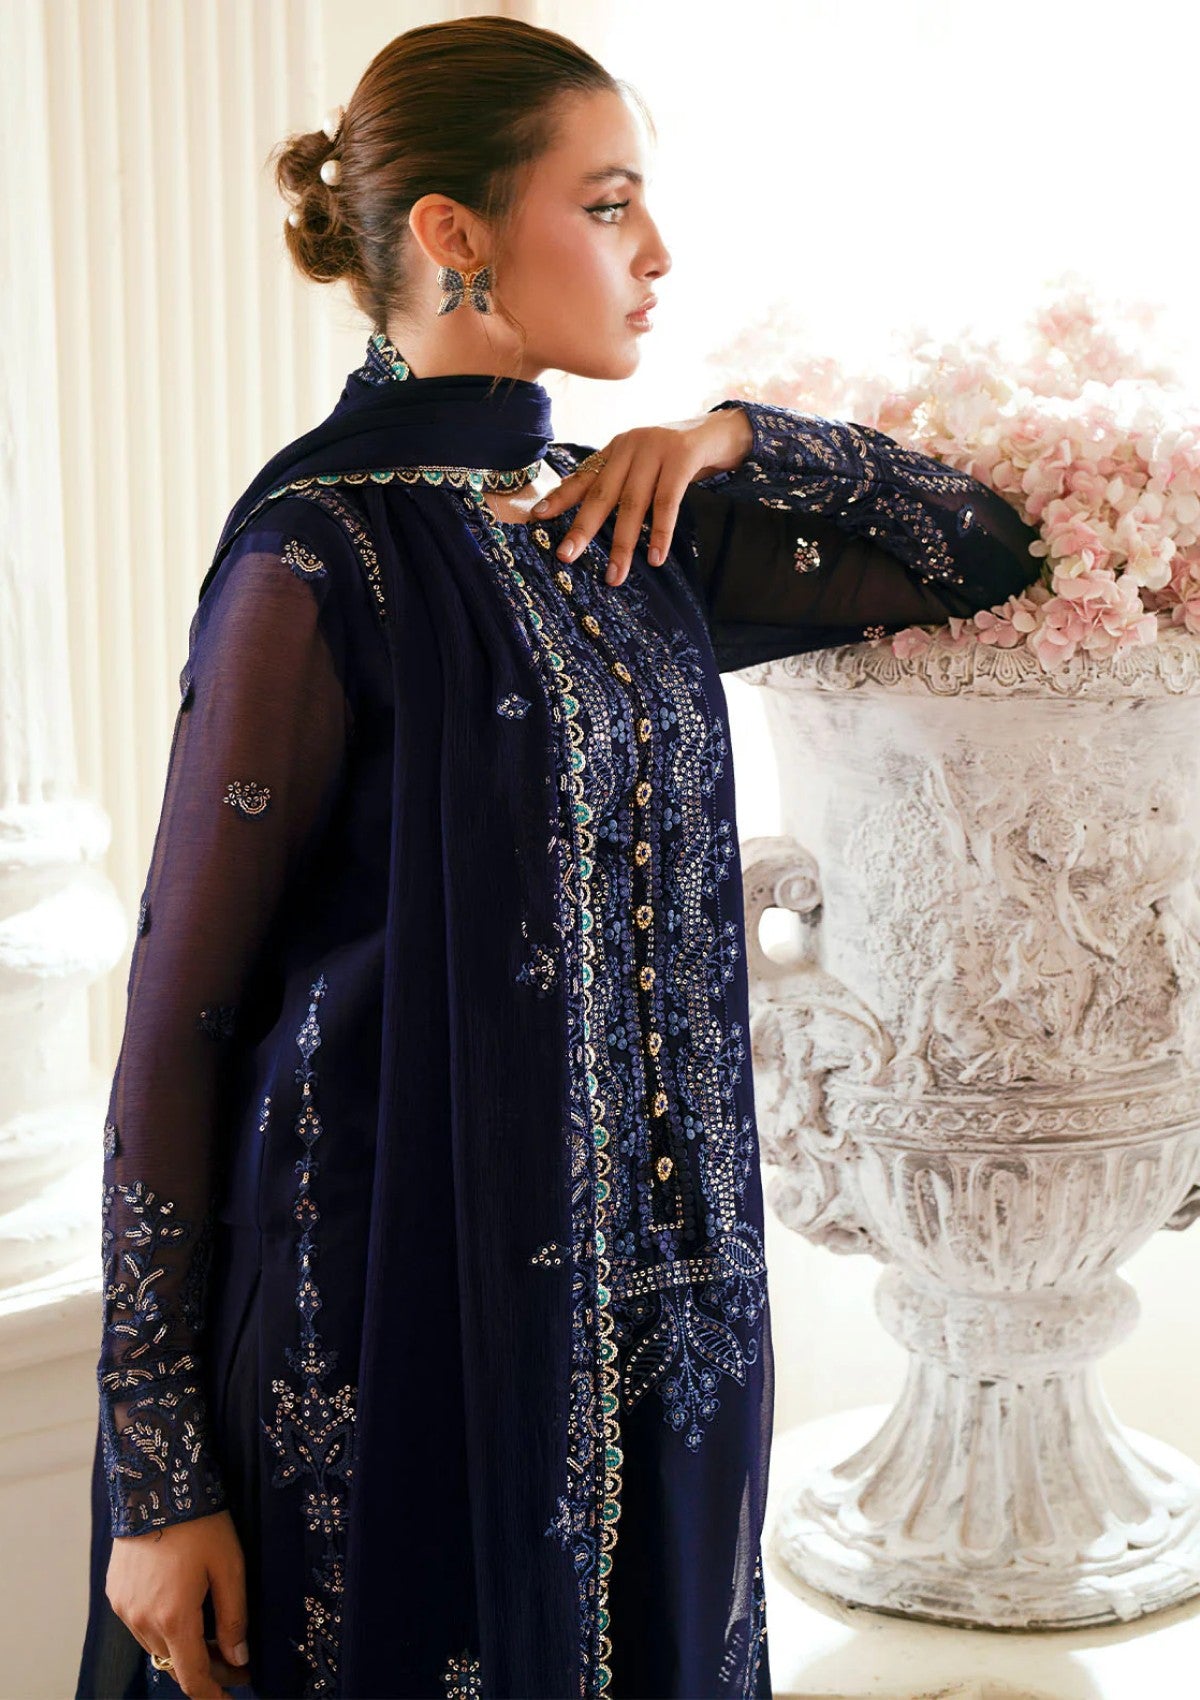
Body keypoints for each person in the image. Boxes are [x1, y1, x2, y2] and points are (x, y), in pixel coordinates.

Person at [74, 15, 1044, 1700]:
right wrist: (161, 1479)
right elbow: (181, 1020)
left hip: (666, 1337)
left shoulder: (622, 520)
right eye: (606, 206)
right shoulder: (317, 557)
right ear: (454, 233)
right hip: (382, 1329)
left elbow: (987, 547)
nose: (655, 251)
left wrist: (728, 438)